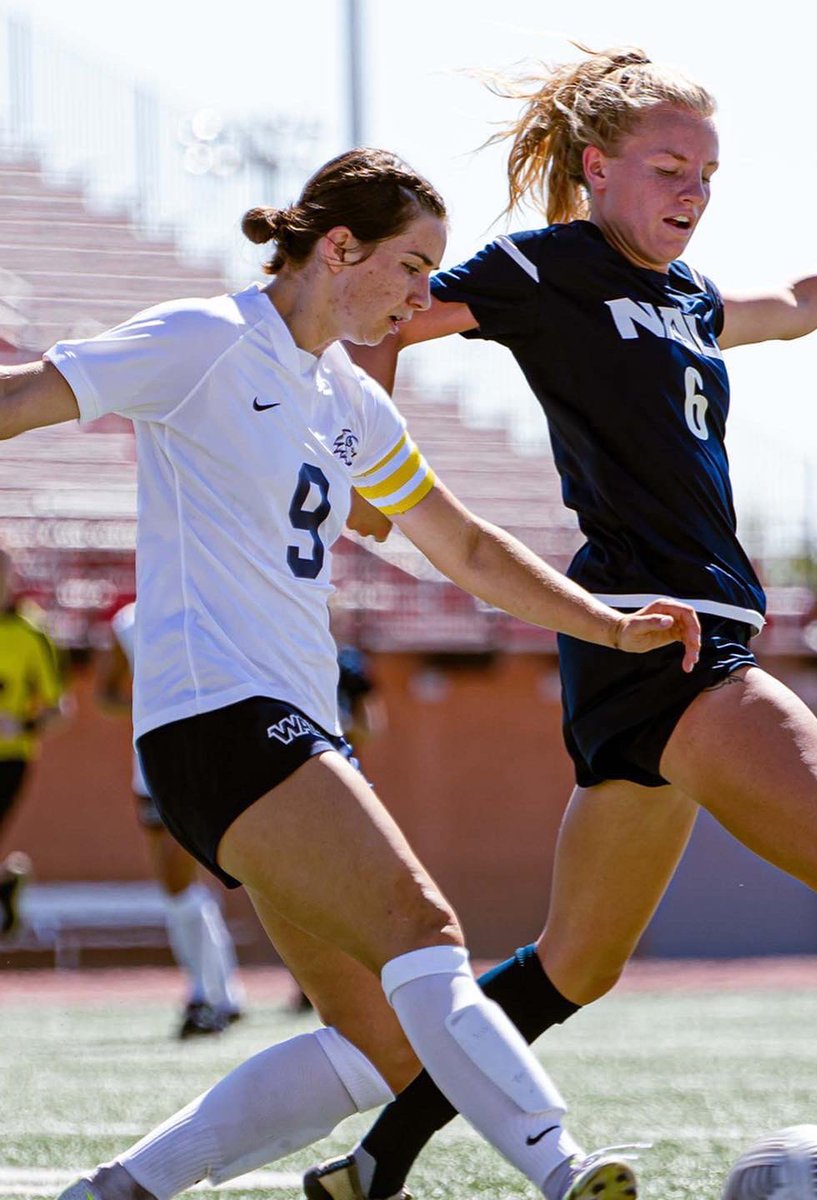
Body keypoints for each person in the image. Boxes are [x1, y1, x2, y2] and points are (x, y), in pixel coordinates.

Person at [308, 48, 817, 1200]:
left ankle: (373, 1159)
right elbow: (385, 318)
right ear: (597, 169)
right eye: (669, 168)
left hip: (636, 648)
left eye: (708, 172)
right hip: (675, 636)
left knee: (572, 965)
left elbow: (798, 308)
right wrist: (373, 466)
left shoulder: (686, 293)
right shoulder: (546, 267)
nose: (693, 192)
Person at [0, 146, 703, 1200]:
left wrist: (603, 623)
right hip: (220, 720)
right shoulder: (204, 339)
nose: (426, 295)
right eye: (414, 266)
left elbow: (460, 547)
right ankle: (562, 1169)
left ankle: (115, 1193)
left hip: (283, 731)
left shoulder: (348, 401)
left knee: (382, 1045)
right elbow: (21, 402)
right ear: (340, 249)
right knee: (426, 934)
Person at [97, 600, 246, 1037]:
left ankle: (211, 993)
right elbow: (105, 695)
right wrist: (152, 705)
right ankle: (217, 991)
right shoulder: (129, 623)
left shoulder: (214, 605)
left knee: (198, 879)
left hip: (208, 761)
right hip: (152, 766)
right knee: (176, 885)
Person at [0, 546, 66, 936]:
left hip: (9, 758)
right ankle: (5, 886)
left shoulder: (32, 631)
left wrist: (21, 727)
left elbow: (59, 709)